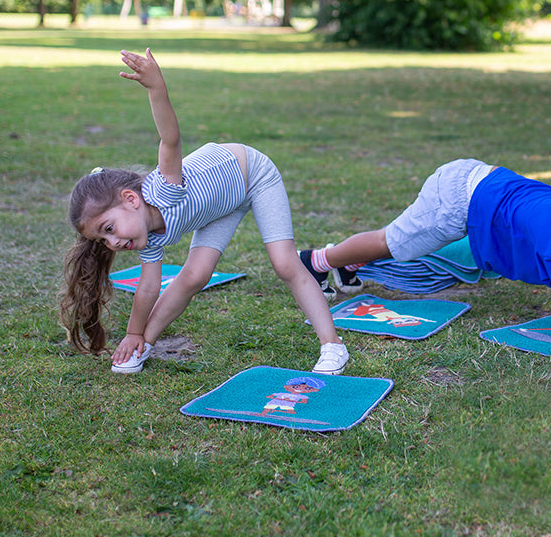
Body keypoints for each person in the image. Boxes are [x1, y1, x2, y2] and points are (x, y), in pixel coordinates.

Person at [60, 48, 348, 376]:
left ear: (131, 199)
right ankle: (146, 345)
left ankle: (332, 345)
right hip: (220, 205)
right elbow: (148, 288)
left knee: (284, 263)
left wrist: (156, 87)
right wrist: (134, 334)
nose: (111, 243)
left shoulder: (162, 189)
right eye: (103, 239)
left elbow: (170, 140)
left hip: (253, 175)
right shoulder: (148, 237)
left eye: (108, 228)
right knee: (194, 276)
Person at [300, 158, 551, 360]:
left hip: (479, 187)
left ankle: (345, 264)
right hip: (458, 198)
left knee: (401, 247)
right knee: (394, 244)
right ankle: (316, 261)